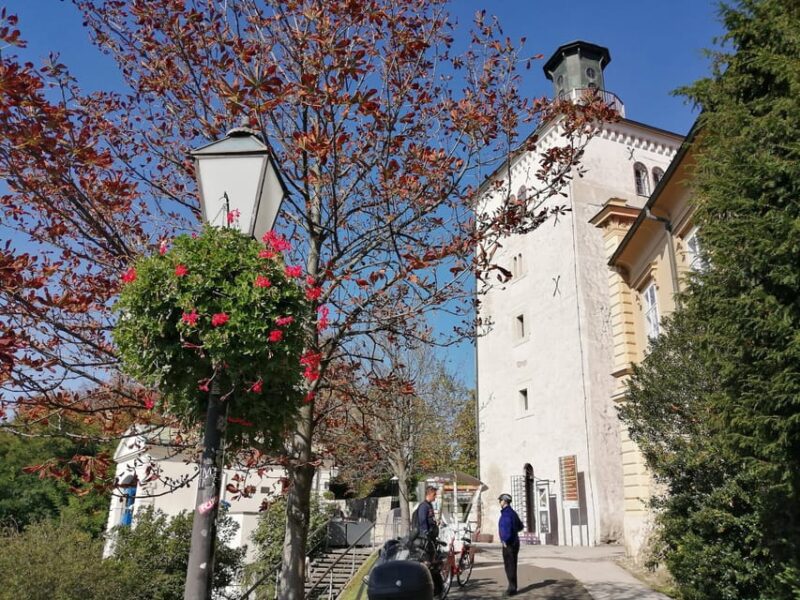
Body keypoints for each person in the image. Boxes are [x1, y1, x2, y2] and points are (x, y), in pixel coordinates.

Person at [498, 493, 523, 596]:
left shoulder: (507, 514)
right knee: (512, 565)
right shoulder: (512, 513)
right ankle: (512, 587)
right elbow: (521, 526)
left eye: (500, 500)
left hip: (509, 543)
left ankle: (512, 589)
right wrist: (514, 531)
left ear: (504, 501)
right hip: (515, 542)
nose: (499, 502)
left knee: (509, 566)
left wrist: (505, 540)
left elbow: (507, 529)